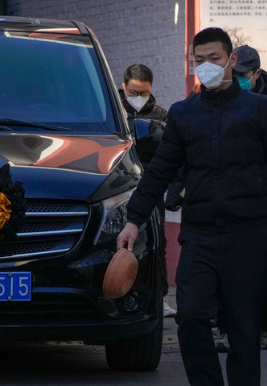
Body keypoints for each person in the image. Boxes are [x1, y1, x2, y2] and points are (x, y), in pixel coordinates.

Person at [117, 27, 267, 386]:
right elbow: (161, 170)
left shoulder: (261, 111)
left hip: (250, 235)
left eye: (214, 58)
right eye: (199, 60)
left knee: (244, 328)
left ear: (230, 60)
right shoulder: (183, 114)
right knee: (192, 316)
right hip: (200, 236)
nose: (206, 66)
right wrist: (133, 219)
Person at [210, 44, 267, 353]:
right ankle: (226, 328)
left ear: (256, 73)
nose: (238, 80)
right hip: (227, 195)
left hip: (265, 198)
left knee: (264, 263)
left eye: (243, 75)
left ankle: (265, 327)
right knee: (225, 262)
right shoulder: (220, 98)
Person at [118, 64, 175, 317]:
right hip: (120, 185)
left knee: (156, 242)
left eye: (144, 92)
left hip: (151, 186)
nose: (138, 98)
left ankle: (158, 296)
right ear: (123, 87)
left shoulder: (161, 115)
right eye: (133, 92)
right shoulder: (114, 111)